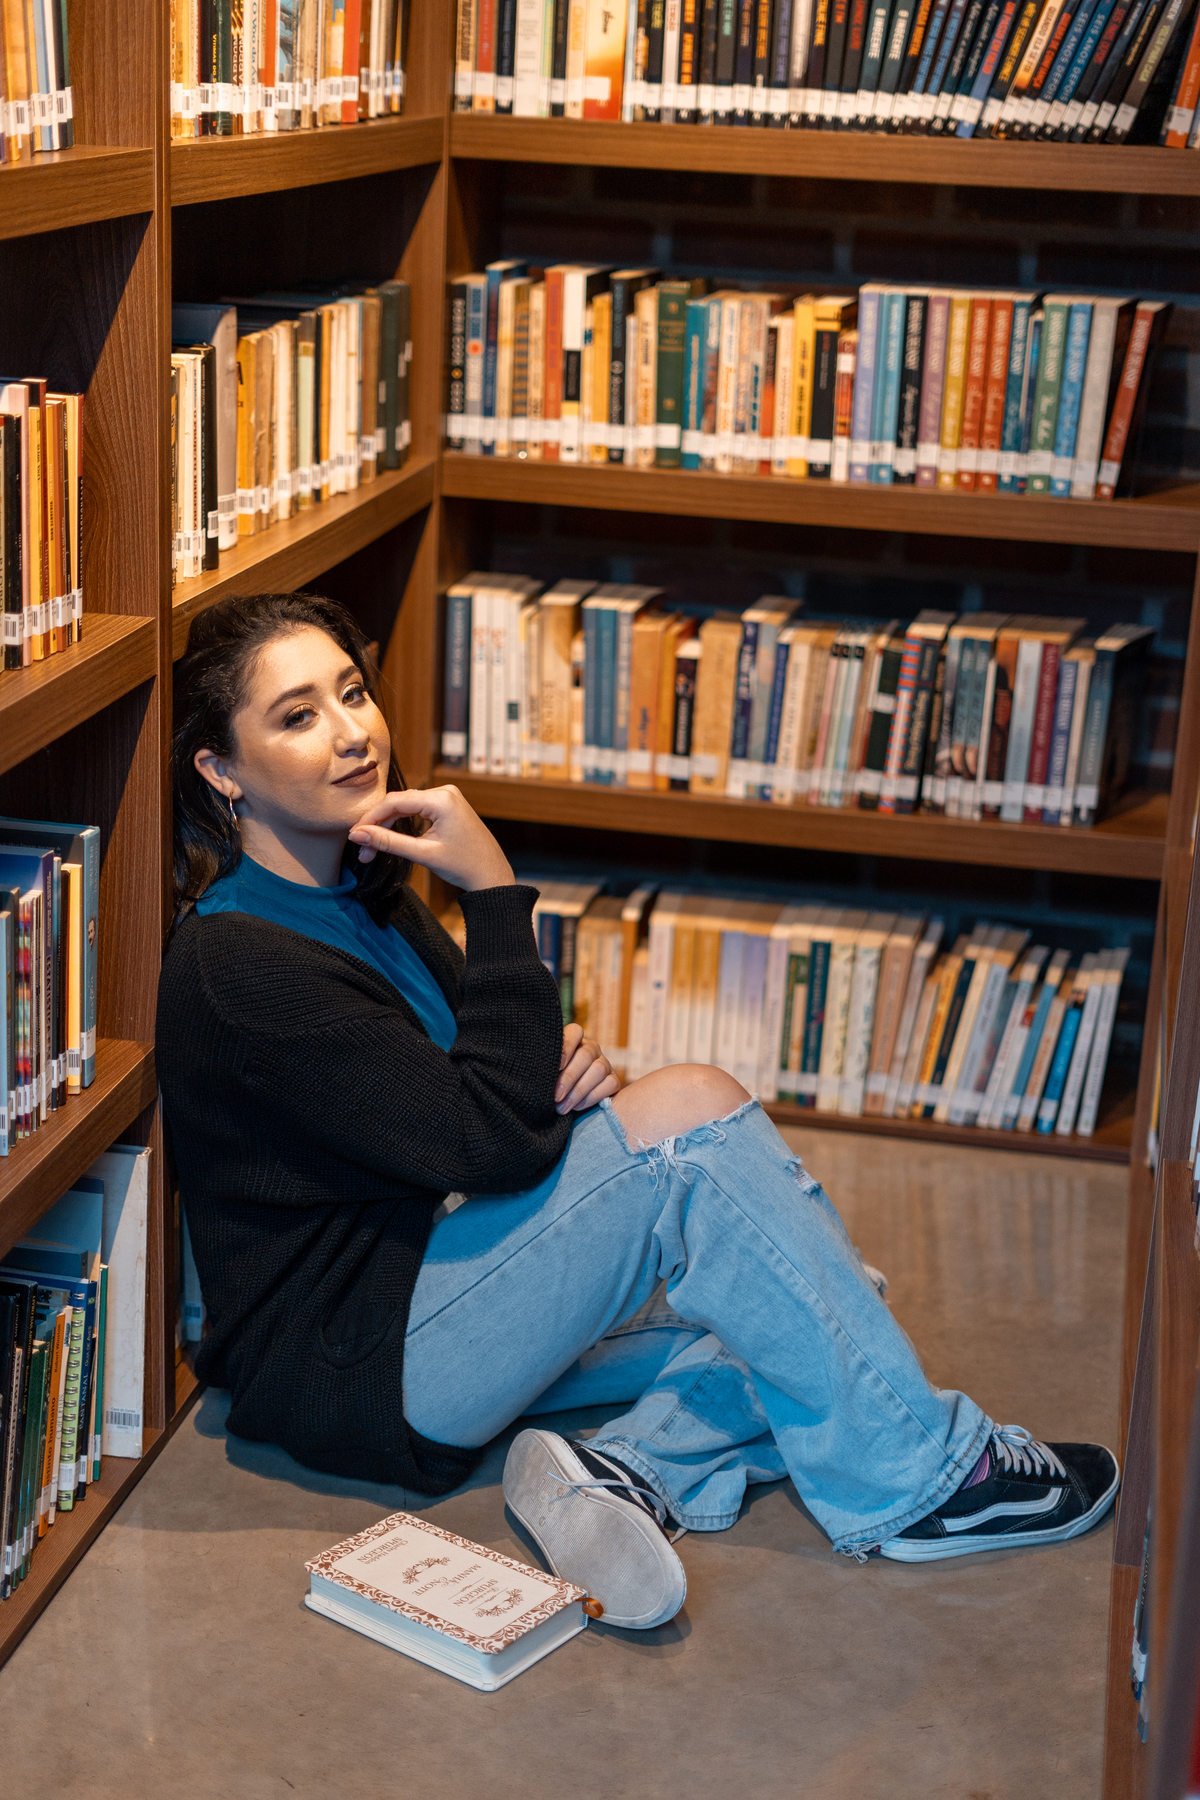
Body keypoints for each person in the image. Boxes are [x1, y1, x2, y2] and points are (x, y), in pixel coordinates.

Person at [156, 592, 1119, 1632]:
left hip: (437, 1273)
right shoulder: (240, 958)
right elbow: (488, 1140)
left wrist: (529, 1072)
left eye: (351, 692)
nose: (352, 733)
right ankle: (921, 1485)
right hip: (363, 1362)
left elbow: (479, 1100)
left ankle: (615, 1470)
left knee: (814, 1301)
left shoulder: (360, 890)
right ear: (221, 769)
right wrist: (491, 893)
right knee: (702, 1128)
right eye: (297, 716)